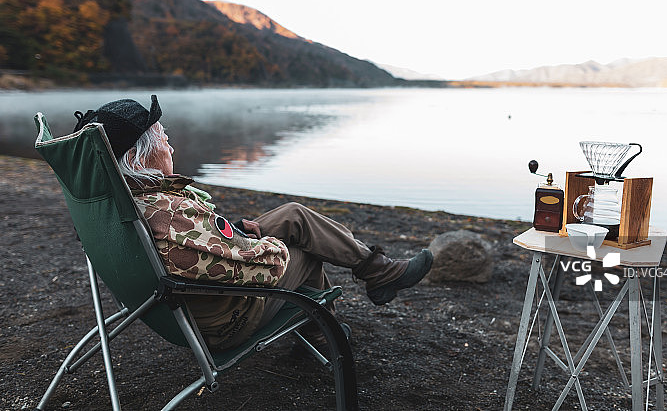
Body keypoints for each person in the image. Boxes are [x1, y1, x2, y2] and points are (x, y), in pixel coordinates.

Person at [73, 95, 433, 350]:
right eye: (161, 135)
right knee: (305, 247)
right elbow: (270, 267)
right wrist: (259, 244)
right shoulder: (170, 216)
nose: (168, 141)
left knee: (293, 215)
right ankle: (327, 329)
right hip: (225, 319)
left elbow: (197, 247)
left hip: (185, 294)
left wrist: (238, 236)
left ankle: (375, 274)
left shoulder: (118, 204)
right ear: (140, 154)